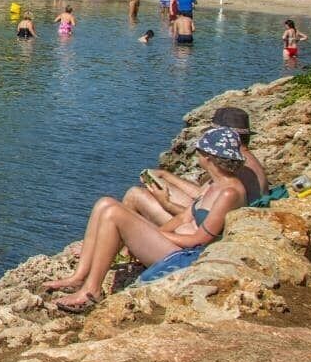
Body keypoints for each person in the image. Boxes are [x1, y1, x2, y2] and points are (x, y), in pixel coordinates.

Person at [45, 127, 250, 313]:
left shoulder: (229, 193)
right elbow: (183, 217)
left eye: (200, 151)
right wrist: (149, 234)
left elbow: (200, 239)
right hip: (177, 245)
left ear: (209, 157)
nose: (198, 155)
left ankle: (92, 291)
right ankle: (79, 276)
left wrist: (152, 235)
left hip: (186, 258)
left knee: (113, 213)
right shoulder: (213, 184)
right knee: (104, 204)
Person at [126, 108, 264, 223]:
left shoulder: (237, 167)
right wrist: (165, 175)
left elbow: (198, 217)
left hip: (201, 226)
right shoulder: (242, 160)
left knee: (134, 195)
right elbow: (201, 194)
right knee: (154, 186)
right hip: (204, 217)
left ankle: (125, 245)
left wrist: (165, 203)